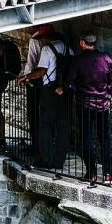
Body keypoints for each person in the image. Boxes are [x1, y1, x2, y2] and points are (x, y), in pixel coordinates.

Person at [17, 26, 72, 169]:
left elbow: (41, 71)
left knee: (45, 126)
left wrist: (26, 77)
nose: (41, 42)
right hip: (65, 92)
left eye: (41, 39)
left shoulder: (47, 49)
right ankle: (59, 160)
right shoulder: (68, 49)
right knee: (62, 127)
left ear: (46, 38)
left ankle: (47, 159)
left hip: (50, 91)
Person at [66, 32, 112, 183]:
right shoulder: (106, 58)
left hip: (85, 103)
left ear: (82, 43)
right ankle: (107, 174)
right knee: (104, 138)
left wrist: (71, 88)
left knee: (87, 138)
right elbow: (111, 83)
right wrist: (107, 95)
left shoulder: (78, 60)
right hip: (103, 104)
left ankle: (91, 172)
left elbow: (70, 80)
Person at [20, 24, 53, 155]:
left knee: (33, 114)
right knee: (44, 115)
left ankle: (36, 146)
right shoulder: (58, 43)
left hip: (35, 80)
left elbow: (31, 61)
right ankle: (45, 145)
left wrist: (26, 77)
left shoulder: (35, 40)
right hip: (48, 83)